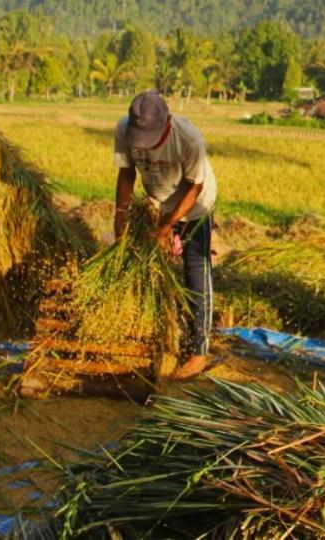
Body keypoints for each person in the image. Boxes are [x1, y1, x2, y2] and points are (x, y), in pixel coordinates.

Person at [113, 90, 218, 381]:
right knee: (147, 267)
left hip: (194, 204)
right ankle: (155, 333)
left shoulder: (189, 139)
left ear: (167, 122)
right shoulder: (123, 129)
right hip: (157, 200)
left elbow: (193, 187)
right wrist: (120, 219)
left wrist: (168, 227)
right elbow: (126, 175)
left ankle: (199, 352)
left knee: (195, 271)